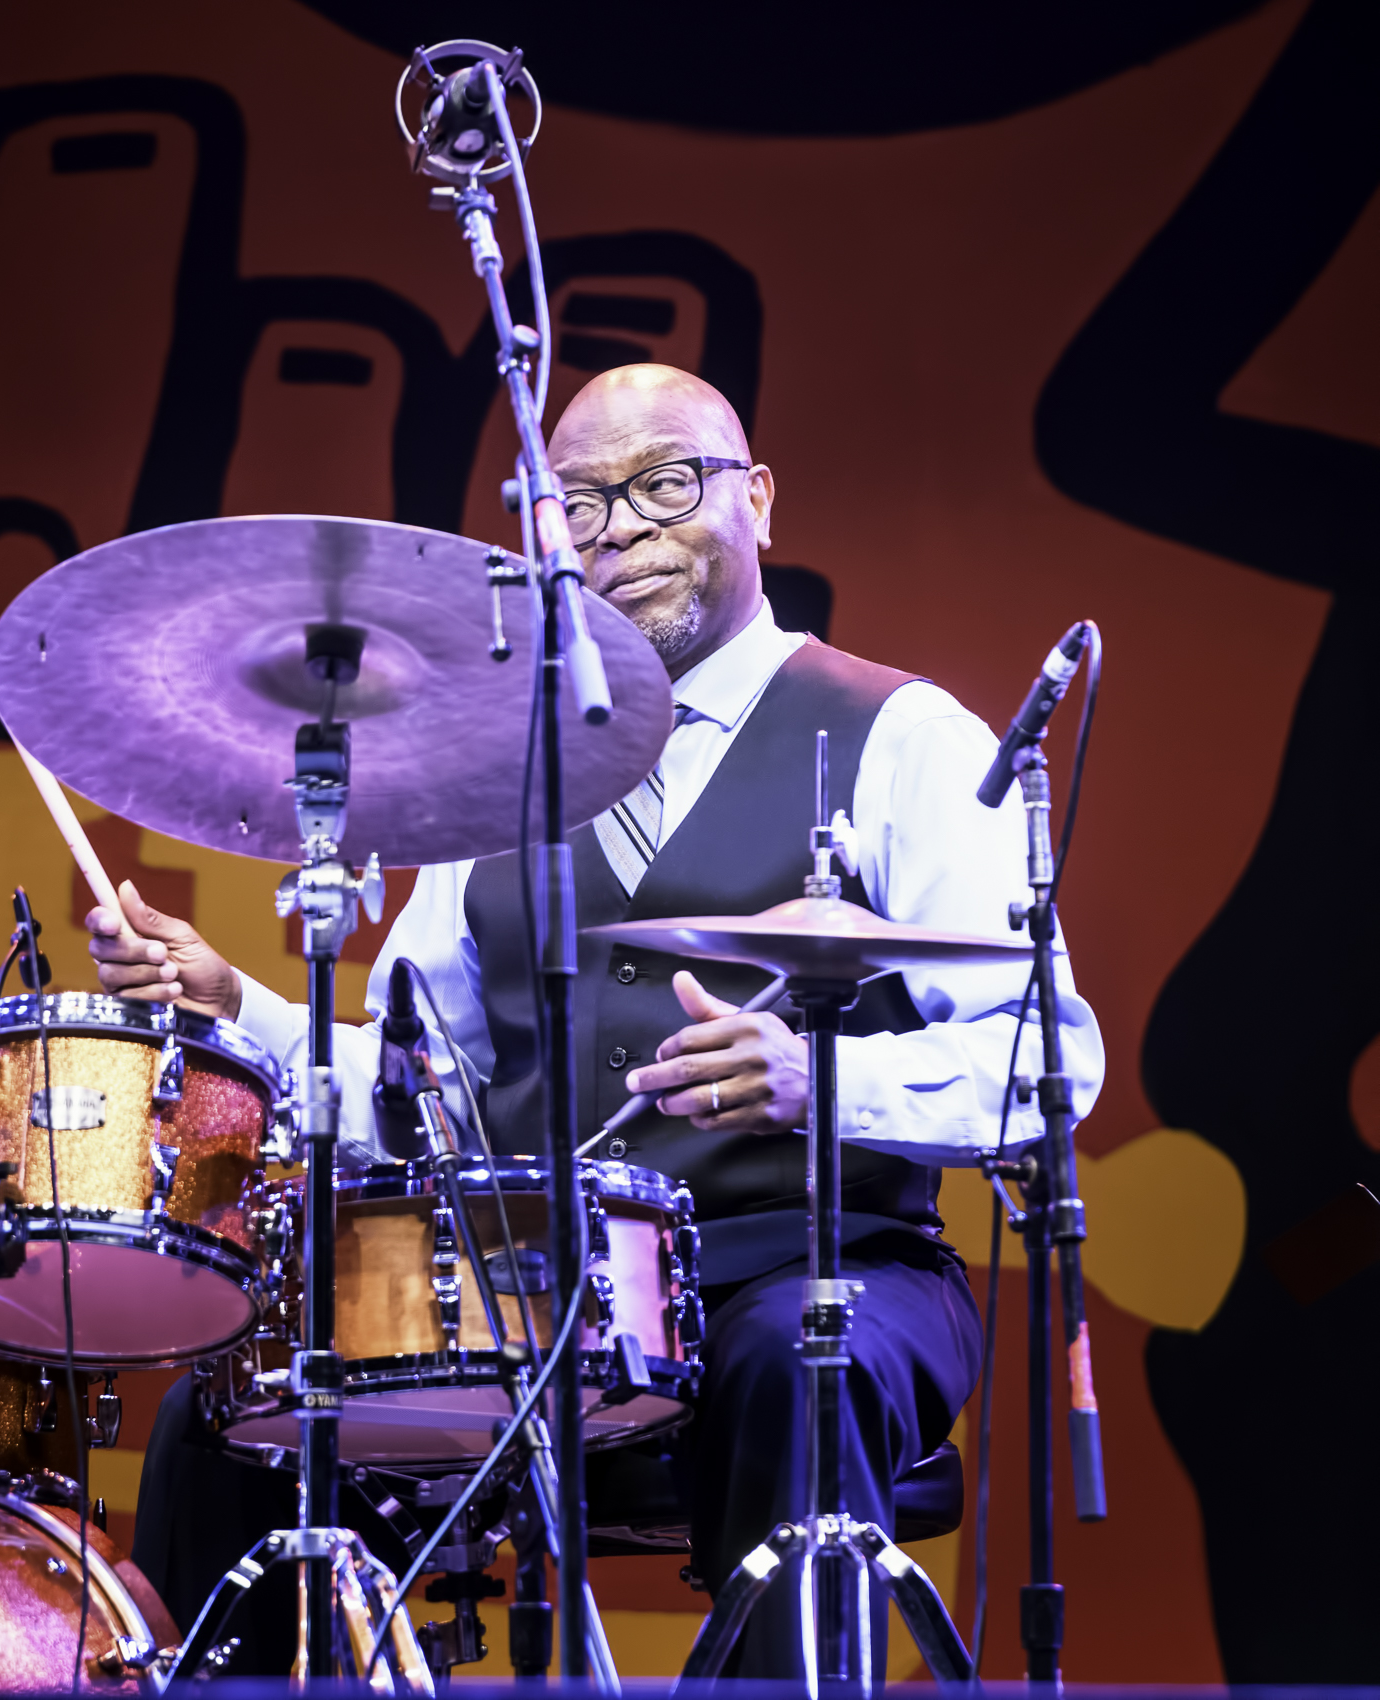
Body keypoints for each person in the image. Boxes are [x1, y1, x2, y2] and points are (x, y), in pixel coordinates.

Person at [90, 363, 1103, 1676]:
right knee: (235, 1420)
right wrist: (247, 1012)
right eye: (576, 505)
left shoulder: (899, 736)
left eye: (664, 484)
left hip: (810, 1255)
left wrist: (816, 1082)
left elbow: (1048, 1058)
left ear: (760, 501)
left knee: (801, 1365)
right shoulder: (496, 772)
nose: (618, 528)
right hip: (531, 1287)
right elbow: (418, 1077)